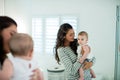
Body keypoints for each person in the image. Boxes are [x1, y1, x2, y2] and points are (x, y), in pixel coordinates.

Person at [0, 16, 43, 80]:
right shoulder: (10, 62)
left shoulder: (8, 62)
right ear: (31, 52)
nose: (14, 39)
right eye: (12, 34)